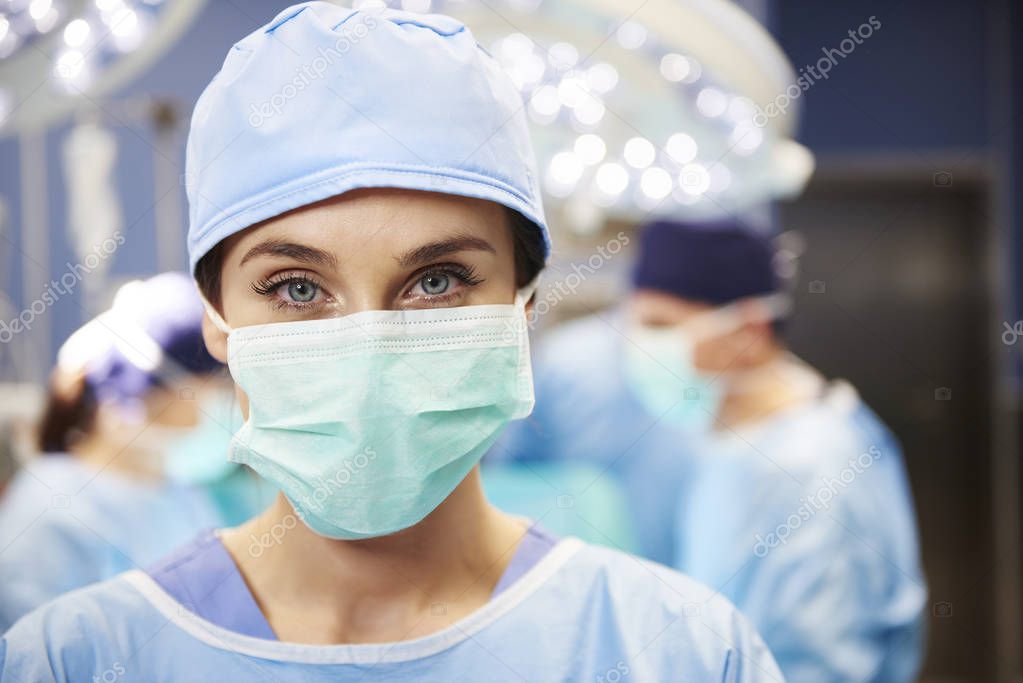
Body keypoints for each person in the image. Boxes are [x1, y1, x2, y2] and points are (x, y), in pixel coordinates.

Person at [0, 5, 782, 681]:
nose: (368, 349)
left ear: (524, 304)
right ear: (218, 324)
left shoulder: (677, 651)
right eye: (297, 288)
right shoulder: (74, 657)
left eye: (436, 281)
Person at [497, 219, 928, 681]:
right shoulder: (730, 442)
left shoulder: (805, 467)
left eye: (662, 326)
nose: (639, 349)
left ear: (749, 329)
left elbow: (811, 661)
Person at [0, 273, 273, 632]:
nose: (230, 406)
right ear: (139, 395)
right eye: (214, 389)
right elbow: (41, 656)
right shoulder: (54, 508)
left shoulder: (179, 492)